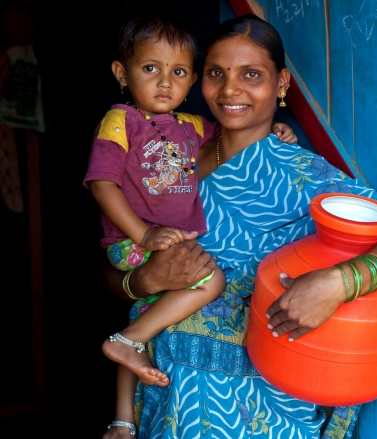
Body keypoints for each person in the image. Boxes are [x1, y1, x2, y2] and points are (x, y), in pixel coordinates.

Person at [102, 14, 377, 439]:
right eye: (215, 74)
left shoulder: (302, 176)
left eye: (251, 75)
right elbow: (117, 269)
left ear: (281, 84)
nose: (230, 89)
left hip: (255, 415)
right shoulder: (171, 160)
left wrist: (337, 283)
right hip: (163, 400)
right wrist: (145, 279)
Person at [84, 17, 297, 439]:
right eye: (151, 69)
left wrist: (275, 129)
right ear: (121, 74)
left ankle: (122, 421)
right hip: (140, 243)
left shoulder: (190, 129)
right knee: (198, 286)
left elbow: (240, 127)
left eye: (178, 72)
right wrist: (143, 243)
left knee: (141, 323)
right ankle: (124, 383)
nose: (165, 82)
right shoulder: (123, 120)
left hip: (252, 396)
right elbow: (101, 183)